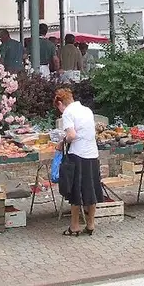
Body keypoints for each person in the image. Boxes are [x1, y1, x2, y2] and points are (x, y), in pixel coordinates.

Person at [53, 88, 103, 236]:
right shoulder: (86, 110)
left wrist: (62, 143)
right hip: (92, 154)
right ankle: (91, 224)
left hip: (78, 155)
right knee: (91, 189)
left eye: (59, 108)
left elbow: (72, 135)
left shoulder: (68, 112)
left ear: (61, 103)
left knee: (76, 191)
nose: (60, 111)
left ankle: (74, 226)